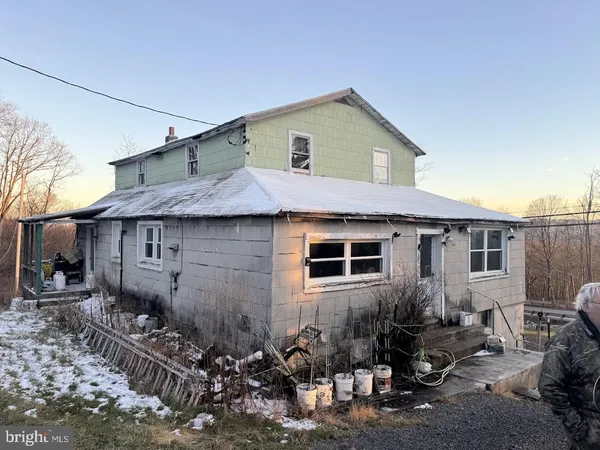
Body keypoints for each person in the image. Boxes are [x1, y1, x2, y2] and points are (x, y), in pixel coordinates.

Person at [539, 283, 600, 449]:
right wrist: (580, 430)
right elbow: (549, 387)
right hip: (590, 435)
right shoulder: (566, 338)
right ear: (587, 306)